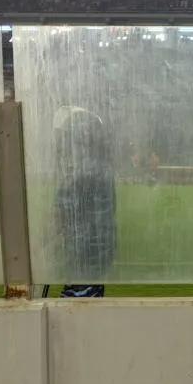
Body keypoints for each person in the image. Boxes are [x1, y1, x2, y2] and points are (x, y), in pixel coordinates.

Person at [48, 106, 116, 298]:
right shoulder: (103, 169)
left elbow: (58, 216)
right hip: (99, 257)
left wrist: (36, 248)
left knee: (76, 314)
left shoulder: (80, 172)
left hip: (84, 258)